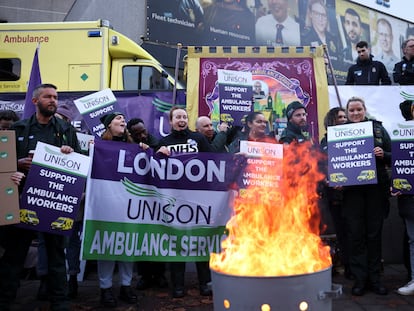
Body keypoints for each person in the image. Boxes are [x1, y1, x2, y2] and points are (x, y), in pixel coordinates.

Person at [0, 83, 81, 311]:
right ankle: (5, 300)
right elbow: (3, 163)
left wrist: (70, 153)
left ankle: (60, 302)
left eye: (55, 97)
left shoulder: (66, 130)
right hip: (23, 200)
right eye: (48, 97)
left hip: (54, 204)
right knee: (14, 256)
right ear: (36, 101)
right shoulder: (19, 128)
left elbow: (79, 162)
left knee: (56, 256)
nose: (53, 100)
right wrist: (16, 164)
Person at [157, 106, 212, 298]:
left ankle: (205, 283)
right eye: (177, 117)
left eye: (184, 117)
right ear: (171, 121)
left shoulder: (198, 139)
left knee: (200, 241)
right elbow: (152, 166)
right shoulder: (164, 141)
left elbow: (214, 159)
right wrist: (158, 152)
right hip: (175, 201)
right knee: (176, 243)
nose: (182, 119)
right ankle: (178, 285)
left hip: (198, 199)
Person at [342, 96, 391, 296]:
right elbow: (329, 161)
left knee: (374, 234)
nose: (355, 113)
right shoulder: (339, 132)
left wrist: (383, 154)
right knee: (356, 235)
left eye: (358, 110)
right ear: (346, 113)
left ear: (364, 110)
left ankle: (375, 278)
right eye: (351, 110)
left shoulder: (378, 129)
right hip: (351, 192)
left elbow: (396, 154)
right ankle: (360, 279)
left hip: (375, 191)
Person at [97, 112, 138, 307]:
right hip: (106, 203)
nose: (123, 121)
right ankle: (105, 288)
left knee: (127, 245)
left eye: (123, 119)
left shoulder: (133, 147)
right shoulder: (98, 146)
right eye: (118, 119)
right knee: (107, 246)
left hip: (128, 204)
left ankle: (126, 285)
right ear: (108, 125)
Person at [125, 118, 169, 291]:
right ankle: (144, 276)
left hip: (155, 197)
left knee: (157, 236)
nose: (143, 135)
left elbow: (161, 157)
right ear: (131, 134)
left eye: (144, 131)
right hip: (136, 198)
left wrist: (153, 150)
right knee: (141, 238)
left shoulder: (153, 141)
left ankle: (159, 275)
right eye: (138, 134)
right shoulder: (126, 145)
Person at [319, 107, 353, 279]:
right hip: (334, 197)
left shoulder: (354, 139)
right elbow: (320, 168)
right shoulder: (324, 143)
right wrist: (328, 181)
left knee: (355, 232)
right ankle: (347, 267)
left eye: (345, 116)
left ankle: (356, 267)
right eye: (340, 117)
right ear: (331, 120)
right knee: (341, 233)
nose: (344, 119)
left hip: (353, 196)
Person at [394, 100, 414, 295]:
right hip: (409, 199)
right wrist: (397, 183)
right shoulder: (400, 136)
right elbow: (400, 162)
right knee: (413, 239)